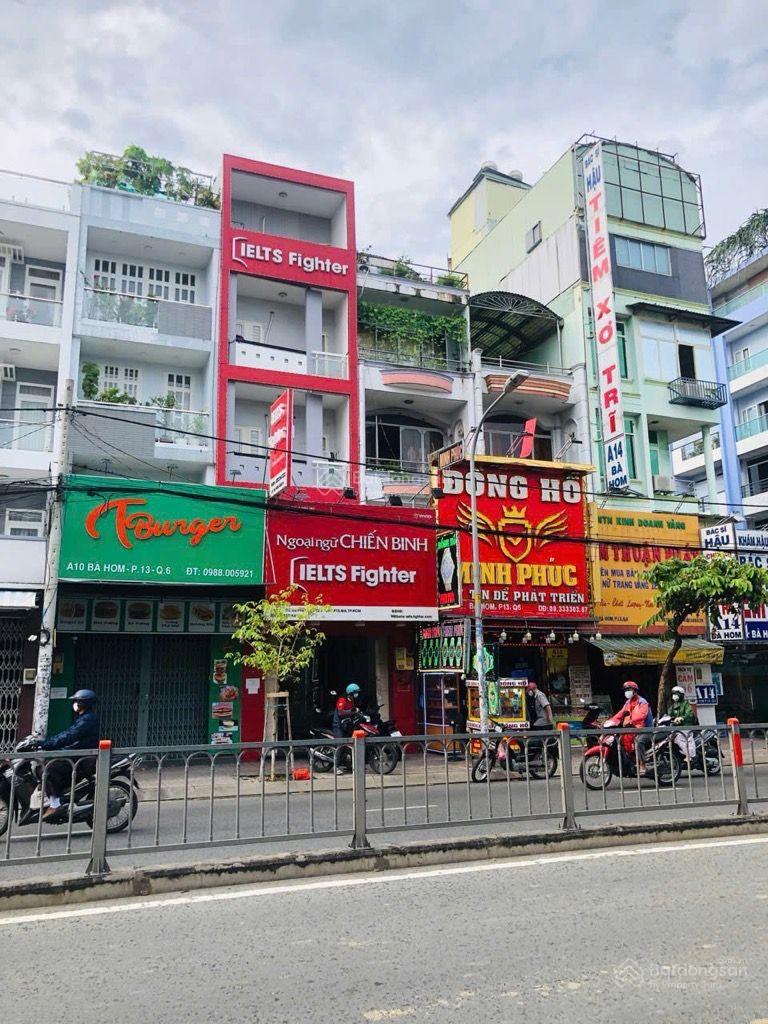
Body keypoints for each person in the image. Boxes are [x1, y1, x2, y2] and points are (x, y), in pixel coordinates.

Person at [39, 689, 100, 818]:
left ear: (83, 703)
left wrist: (48, 744)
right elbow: (67, 733)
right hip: (78, 754)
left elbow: (70, 736)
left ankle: (55, 804)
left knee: (48, 770)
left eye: (77, 701)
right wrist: (49, 742)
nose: (74, 704)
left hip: (82, 757)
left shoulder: (88, 719)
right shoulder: (84, 717)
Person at [611, 680, 654, 768]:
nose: (627, 692)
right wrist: (611, 721)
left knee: (639, 741)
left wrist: (631, 721)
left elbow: (642, 715)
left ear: (635, 691)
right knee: (621, 740)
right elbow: (621, 713)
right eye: (626, 690)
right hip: (633, 729)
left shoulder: (642, 702)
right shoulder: (628, 702)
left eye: (629, 689)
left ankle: (642, 764)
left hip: (646, 730)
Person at [332, 683, 360, 774]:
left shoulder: (351, 701)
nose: (356, 694)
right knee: (340, 744)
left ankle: (349, 765)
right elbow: (340, 713)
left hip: (346, 725)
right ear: (350, 693)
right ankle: (336, 767)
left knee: (350, 744)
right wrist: (352, 711)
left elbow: (353, 711)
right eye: (355, 692)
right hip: (338, 726)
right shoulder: (342, 700)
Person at [665, 685, 697, 759]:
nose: (674, 696)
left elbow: (690, 714)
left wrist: (682, 718)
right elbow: (669, 714)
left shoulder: (686, 704)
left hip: (686, 727)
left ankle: (691, 755)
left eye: (676, 694)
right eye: (673, 694)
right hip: (677, 728)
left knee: (679, 738)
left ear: (681, 695)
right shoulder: (674, 705)